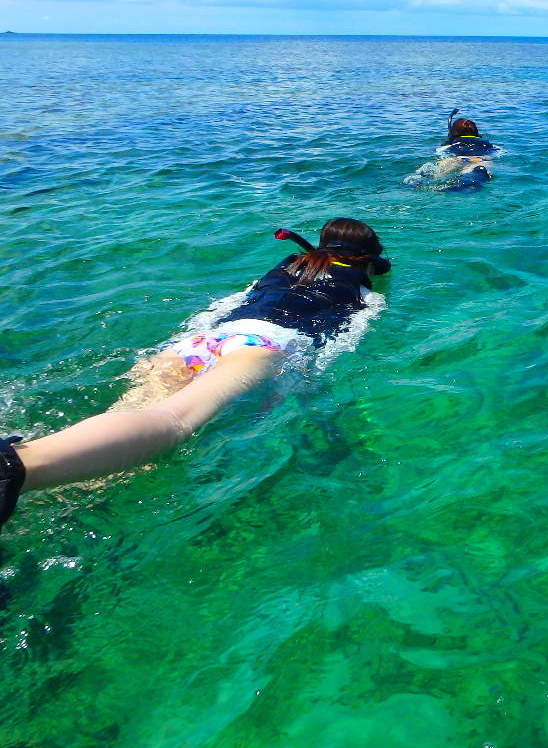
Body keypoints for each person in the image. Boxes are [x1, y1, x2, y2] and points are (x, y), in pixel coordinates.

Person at [0, 218, 391, 532]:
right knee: (172, 422)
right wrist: (304, 376)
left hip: (202, 339)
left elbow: (229, 304)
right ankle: (14, 470)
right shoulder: (367, 294)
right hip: (260, 346)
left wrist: (186, 342)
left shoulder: (284, 267)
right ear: (369, 262)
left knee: (132, 419)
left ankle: (49, 492)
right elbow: (342, 340)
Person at [403, 109, 496, 193]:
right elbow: (496, 154)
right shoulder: (487, 144)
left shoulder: (449, 146)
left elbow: (441, 153)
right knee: (476, 173)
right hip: (480, 159)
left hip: (455, 159)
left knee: (434, 174)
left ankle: (414, 184)